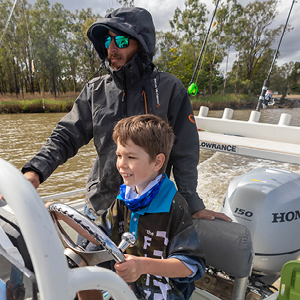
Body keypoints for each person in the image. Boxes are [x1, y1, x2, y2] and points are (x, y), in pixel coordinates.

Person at [20, 7, 230, 222]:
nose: (112, 48)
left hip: (151, 208)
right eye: (107, 42)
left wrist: (192, 203)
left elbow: (185, 151)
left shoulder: (170, 88)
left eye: (121, 41)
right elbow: (65, 137)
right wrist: (35, 171)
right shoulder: (95, 90)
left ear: (141, 44)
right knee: (87, 255)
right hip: (101, 206)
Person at [73, 114, 206, 300]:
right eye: (119, 155)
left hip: (163, 294)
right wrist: (62, 216)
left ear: (158, 162)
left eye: (131, 157)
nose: (121, 164)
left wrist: (143, 266)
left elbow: (190, 266)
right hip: (127, 289)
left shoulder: (174, 205)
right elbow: (99, 235)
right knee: (81, 272)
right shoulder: (124, 197)